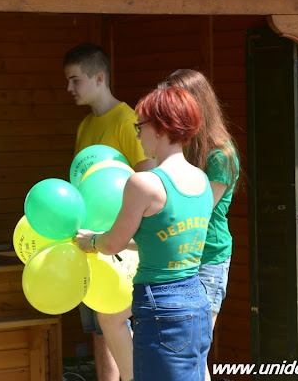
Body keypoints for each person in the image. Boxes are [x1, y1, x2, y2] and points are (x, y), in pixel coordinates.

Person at [75, 86, 214, 381]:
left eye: (141, 126)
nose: (137, 134)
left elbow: (114, 244)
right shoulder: (201, 179)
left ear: (161, 127)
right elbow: (164, 238)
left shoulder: (144, 184)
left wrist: (92, 241)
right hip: (196, 299)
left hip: (159, 304)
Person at [64, 43, 155, 381]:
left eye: (75, 80)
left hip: (121, 245)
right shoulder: (85, 125)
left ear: (98, 78)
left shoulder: (127, 120)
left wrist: (127, 237)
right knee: (97, 327)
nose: (69, 88)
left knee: (113, 324)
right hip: (91, 242)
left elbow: (148, 177)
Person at [160, 69, 240, 381]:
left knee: (194, 350)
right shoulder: (179, 146)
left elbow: (198, 212)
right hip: (178, 256)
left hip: (208, 259)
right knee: (179, 350)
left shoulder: (221, 154)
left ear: (196, 104)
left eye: (174, 102)